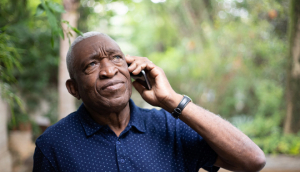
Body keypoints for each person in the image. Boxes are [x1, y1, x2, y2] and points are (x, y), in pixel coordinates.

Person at [33, 32, 266, 172]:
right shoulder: (53, 146)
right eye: (91, 65)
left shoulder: (171, 126)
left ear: (131, 69)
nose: (109, 71)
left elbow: (252, 161)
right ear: (74, 89)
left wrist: (171, 100)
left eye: (116, 58)